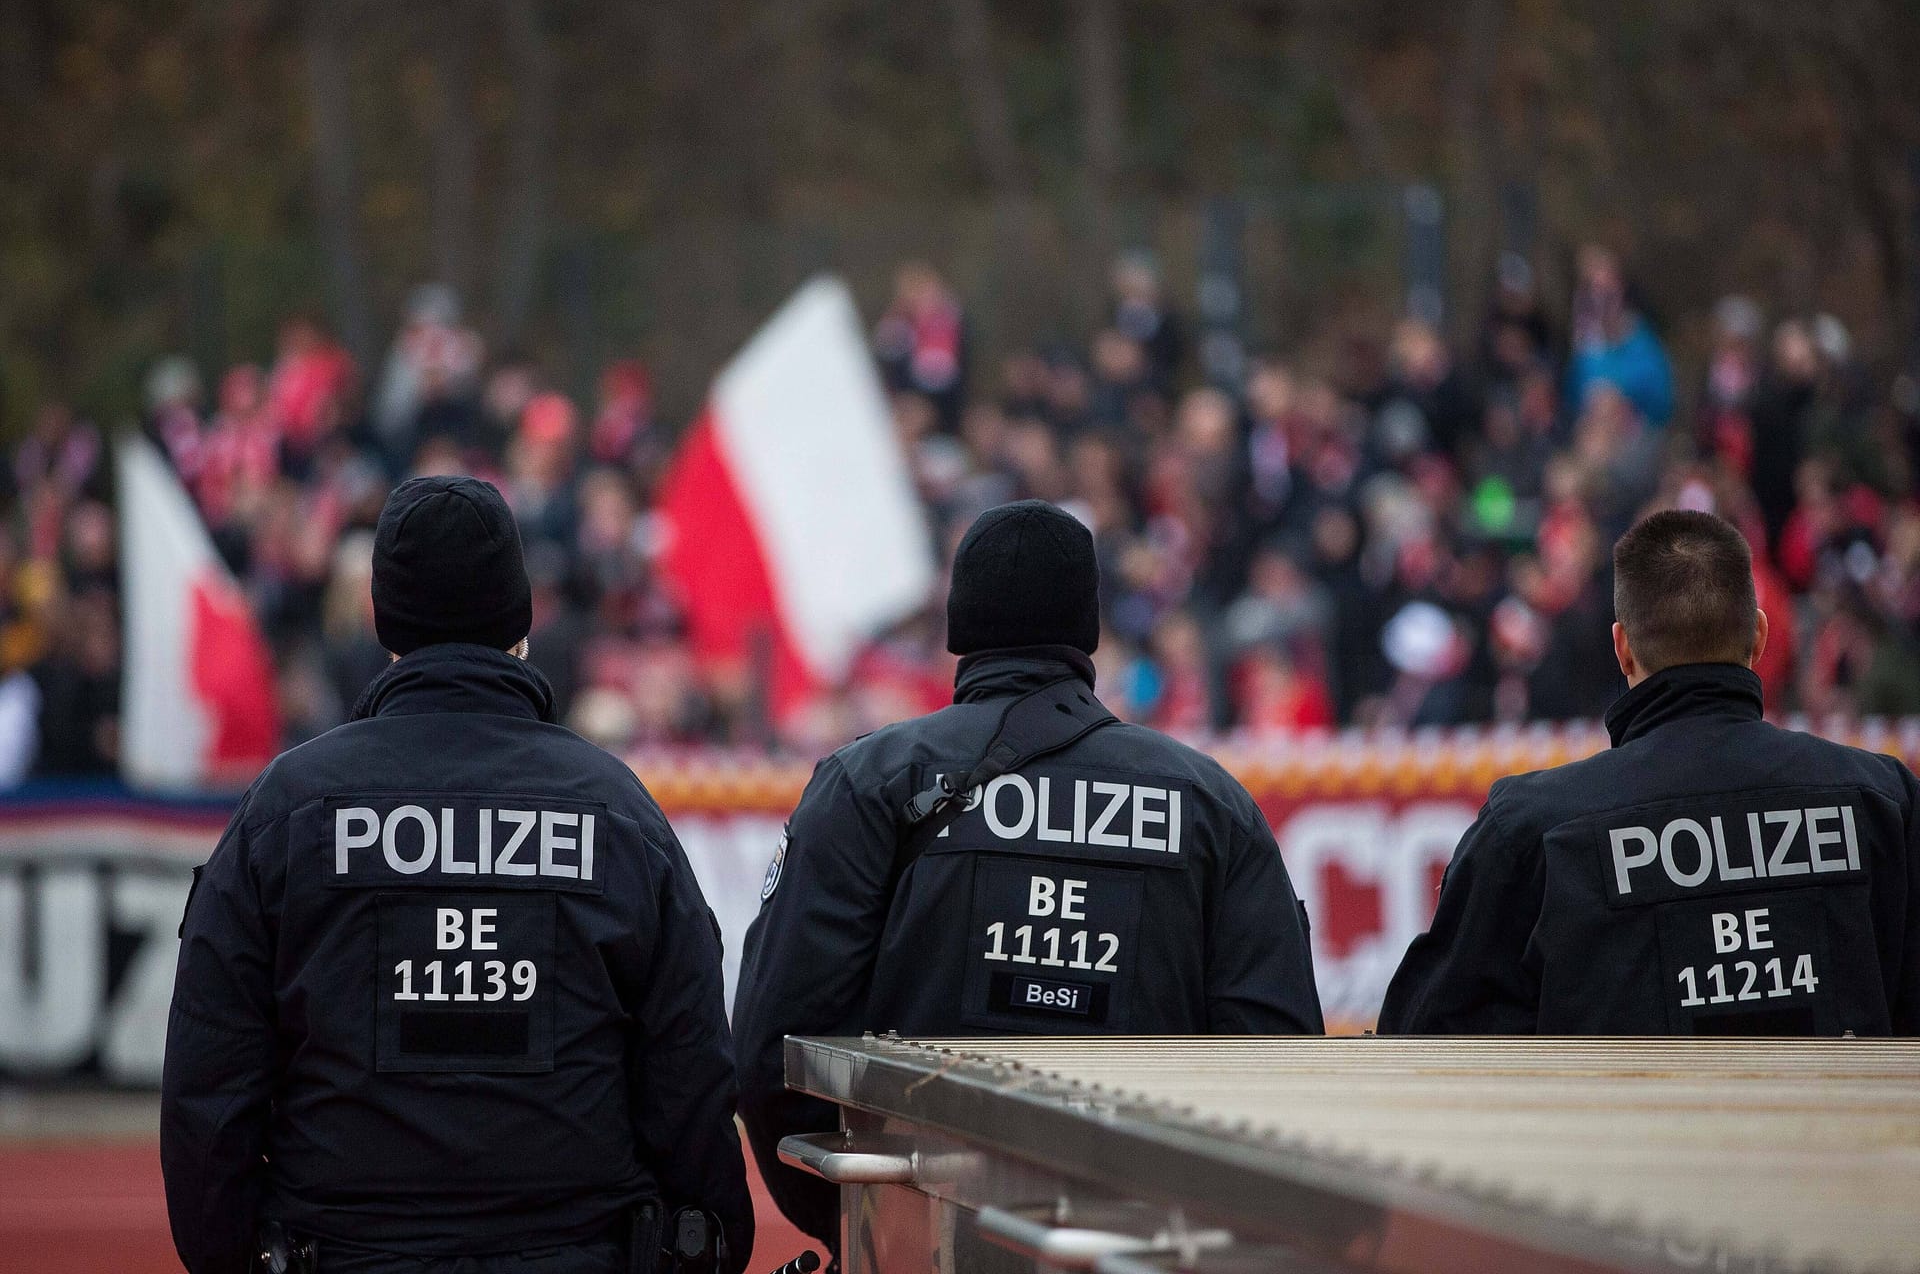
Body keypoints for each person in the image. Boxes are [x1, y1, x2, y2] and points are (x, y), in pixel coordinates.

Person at [161, 475, 752, 1274]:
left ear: (383, 623)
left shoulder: (286, 813)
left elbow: (208, 1094)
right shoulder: (617, 812)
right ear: (521, 621)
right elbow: (692, 1085)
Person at [733, 499, 1324, 1248]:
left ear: (961, 622)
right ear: (1089, 630)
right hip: (1144, 1246)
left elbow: (773, 1049)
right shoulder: (1212, 806)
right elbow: (1280, 1062)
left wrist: (865, 1224)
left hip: (918, 1232)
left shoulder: (868, 783)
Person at [1381, 509, 1920, 1036]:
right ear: (1757, 638)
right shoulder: (1883, 802)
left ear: (1622, 649)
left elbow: (1422, 1033)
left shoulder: (1532, 828)